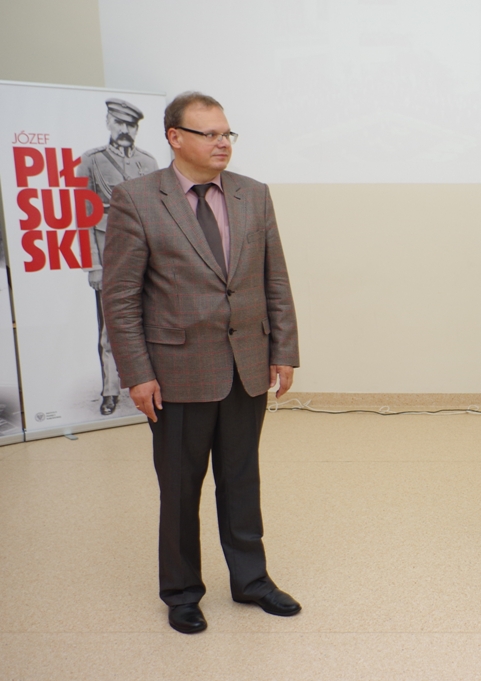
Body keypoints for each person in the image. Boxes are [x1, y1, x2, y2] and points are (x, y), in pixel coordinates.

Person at [102, 92, 301, 634]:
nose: (222, 143)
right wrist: (137, 373)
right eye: (209, 134)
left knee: (241, 480)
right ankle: (182, 591)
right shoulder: (137, 198)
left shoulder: (252, 194)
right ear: (175, 137)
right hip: (175, 373)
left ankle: (251, 580)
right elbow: (120, 297)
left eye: (226, 133)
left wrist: (283, 350)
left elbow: (274, 279)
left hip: (246, 364)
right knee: (180, 488)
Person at [77, 99, 160, 415]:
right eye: (120, 123)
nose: (125, 130)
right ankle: (110, 391)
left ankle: (155, 382)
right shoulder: (92, 160)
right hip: (109, 252)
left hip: (148, 254)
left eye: (131, 124)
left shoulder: (148, 162)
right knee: (110, 327)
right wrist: (94, 265)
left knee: (155, 320)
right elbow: (83, 214)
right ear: (109, 122)